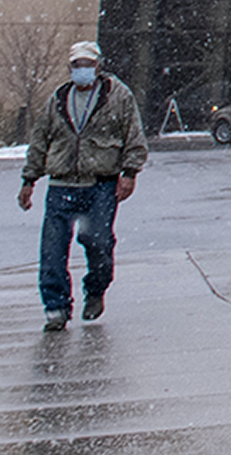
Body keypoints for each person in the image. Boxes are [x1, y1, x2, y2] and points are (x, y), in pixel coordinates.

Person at [17, 40, 147, 334]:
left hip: (101, 183)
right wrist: (29, 179)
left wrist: (129, 172)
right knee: (52, 249)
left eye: (87, 65)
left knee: (98, 242)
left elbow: (134, 136)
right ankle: (56, 307)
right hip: (62, 183)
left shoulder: (118, 96)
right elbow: (40, 140)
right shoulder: (59, 99)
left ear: (98, 66)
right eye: (77, 65)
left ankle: (96, 288)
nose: (82, 71)